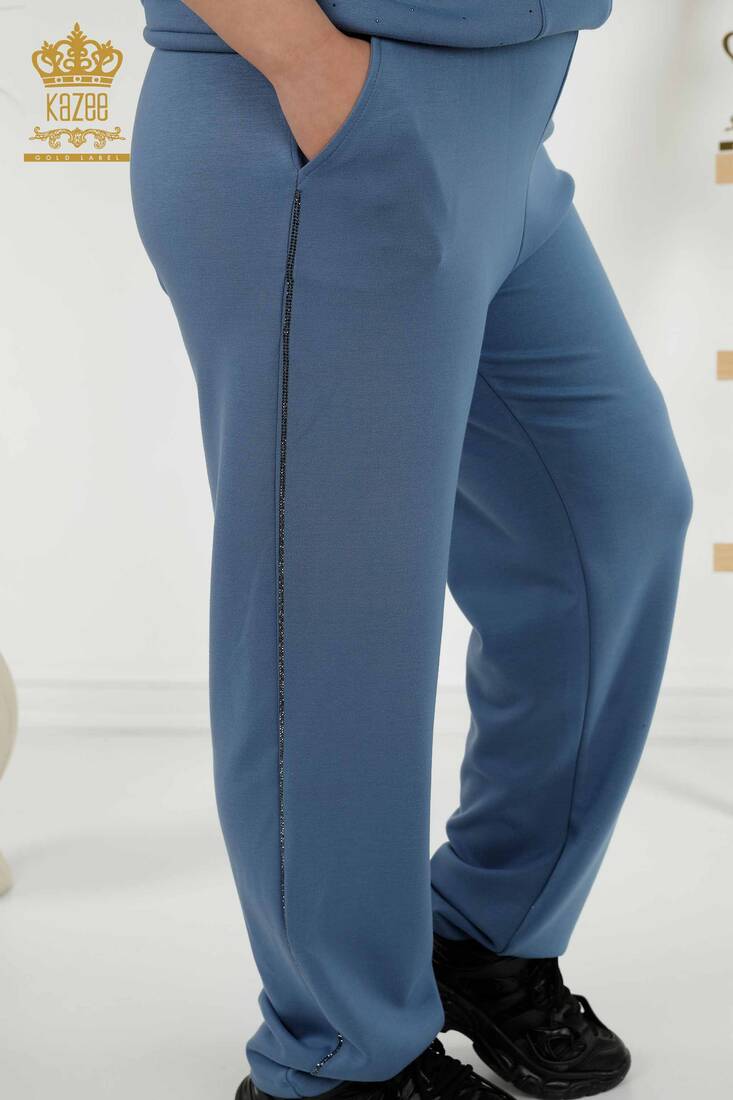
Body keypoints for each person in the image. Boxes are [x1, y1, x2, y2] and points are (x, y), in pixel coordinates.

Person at [130, 3, 693, 1099]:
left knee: (611, 517)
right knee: (338, 616)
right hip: (323, 119)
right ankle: (340, 1053)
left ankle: (483, 929)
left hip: (504, 133)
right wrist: (315, 72)